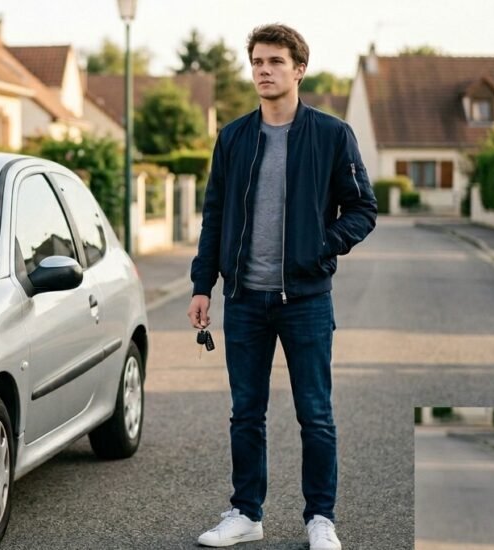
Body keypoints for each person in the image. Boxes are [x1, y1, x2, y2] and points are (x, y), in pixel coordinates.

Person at [187, 23, 377, 549]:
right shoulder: (234, 137)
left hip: (306, 301)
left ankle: (321, 519)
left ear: (299, 69)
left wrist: (321, 245)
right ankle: (246, 513)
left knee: (315, 414)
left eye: (275, 61)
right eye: (257, 62)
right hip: (245, 300)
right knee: (246, 414)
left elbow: (363, 208)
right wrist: (202, 284)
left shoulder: (332, 135)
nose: (264, 70)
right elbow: (214, 215)